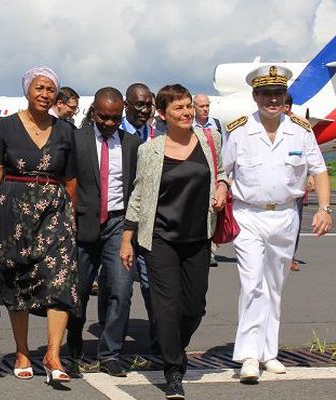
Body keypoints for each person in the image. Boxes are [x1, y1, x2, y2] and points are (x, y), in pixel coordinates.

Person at [223, 65, 332, 383]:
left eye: (278, 94)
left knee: (274, 286)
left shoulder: (300, 130)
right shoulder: (240, 131)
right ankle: (247, 356)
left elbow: (319, 170)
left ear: (285, 97)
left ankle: (267, 352)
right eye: (266, 94)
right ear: (255, 96)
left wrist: (325, 208)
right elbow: (224, 172)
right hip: (248, 215)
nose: (273, 100)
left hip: (285, 215)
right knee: (252, 282)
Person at [120, 84, 228, 399]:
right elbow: (139, 194)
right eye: (178, 108)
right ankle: (173, 370)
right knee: (167, 306)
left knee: (194, 306)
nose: (186, 113)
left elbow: (221, 172)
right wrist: (127, 237)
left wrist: (221, 186)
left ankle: (174, 347)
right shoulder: (150, 149)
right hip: (160, 237)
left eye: (188, 106)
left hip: (198, 237)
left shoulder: (211, 141)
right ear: (163, 114)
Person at [0, 66, 78, 385]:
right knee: (18, 277)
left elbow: (71, 179)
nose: (45, 94)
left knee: (61, 279)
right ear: (27, 90)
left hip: (55, 210)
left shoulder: (66, 131)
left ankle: (53, 354)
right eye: (39, 88)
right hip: (11, 209)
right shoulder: (4, 127)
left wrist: (70, 214)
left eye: (50, 89)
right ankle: (21, 351)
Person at [66, 87, 141, 377]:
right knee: (78, 292)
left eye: (114, 118)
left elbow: (136, 189)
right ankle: (73, 350)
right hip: (82, 226)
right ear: (93, 112)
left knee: (120, 290)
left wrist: (131, 231)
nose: (109, 123)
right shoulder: (76, 140)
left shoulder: (132, 144)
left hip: (118, 226)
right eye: (103, 117)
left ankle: (110, 354)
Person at [121, 82, 158, 354]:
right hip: (119, 219)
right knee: (119, 287)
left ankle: (160, 339)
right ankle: (114, 344)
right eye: (139, 105)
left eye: (149, 104)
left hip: (152, 219)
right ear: (126, 105)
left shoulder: (158, 134)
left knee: (153, 283)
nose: (145, 110)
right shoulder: (114, 132)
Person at [283, 93, 313, 272]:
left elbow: (312, 154)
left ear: (288, 107)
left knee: (295, 221)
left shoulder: (301, 126)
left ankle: (290, 257)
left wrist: (311, 176)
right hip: (276, 183)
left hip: (296, 183)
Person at [193, 93, 223, 267]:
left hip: (214, 176)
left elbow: (223, 151)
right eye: (201, 106)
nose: (205, 109)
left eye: (207, 106)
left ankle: (211, 250)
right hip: (198, 174)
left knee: (214, 213)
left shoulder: (216, 124)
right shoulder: (190, 125)